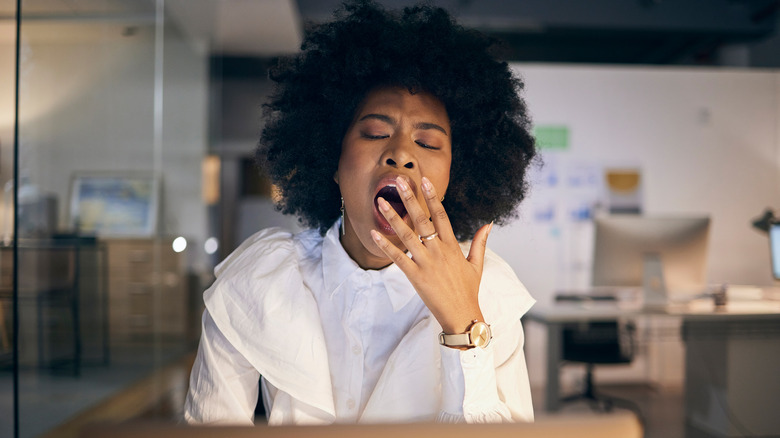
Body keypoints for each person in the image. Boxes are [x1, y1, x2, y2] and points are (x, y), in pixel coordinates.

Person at [184, 0, 538, 425]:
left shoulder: (489, 292)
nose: (402, 154)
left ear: (455, 178)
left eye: (427, 143)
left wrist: (465, 326)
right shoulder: (261, 280)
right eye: (375, 132)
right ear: (332, 160)